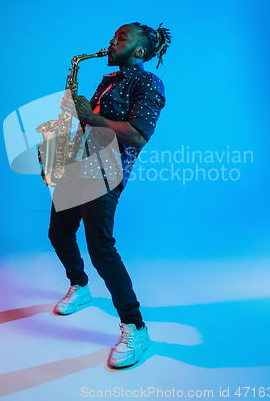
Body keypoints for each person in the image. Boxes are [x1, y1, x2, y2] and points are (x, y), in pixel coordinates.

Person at [48, 22, 171, 368]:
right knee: (58, 232)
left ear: (141, 51)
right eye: (113, 37)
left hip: (106, 173)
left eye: (121, 38)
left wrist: (93, 118)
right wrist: (77, 122)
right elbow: (94, 123)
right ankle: (80, 286)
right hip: (79, 166)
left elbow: (138, 134)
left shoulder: (148, 82)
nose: (112, 42)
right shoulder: (108, 81)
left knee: (101, 249)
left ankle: (136, 328)